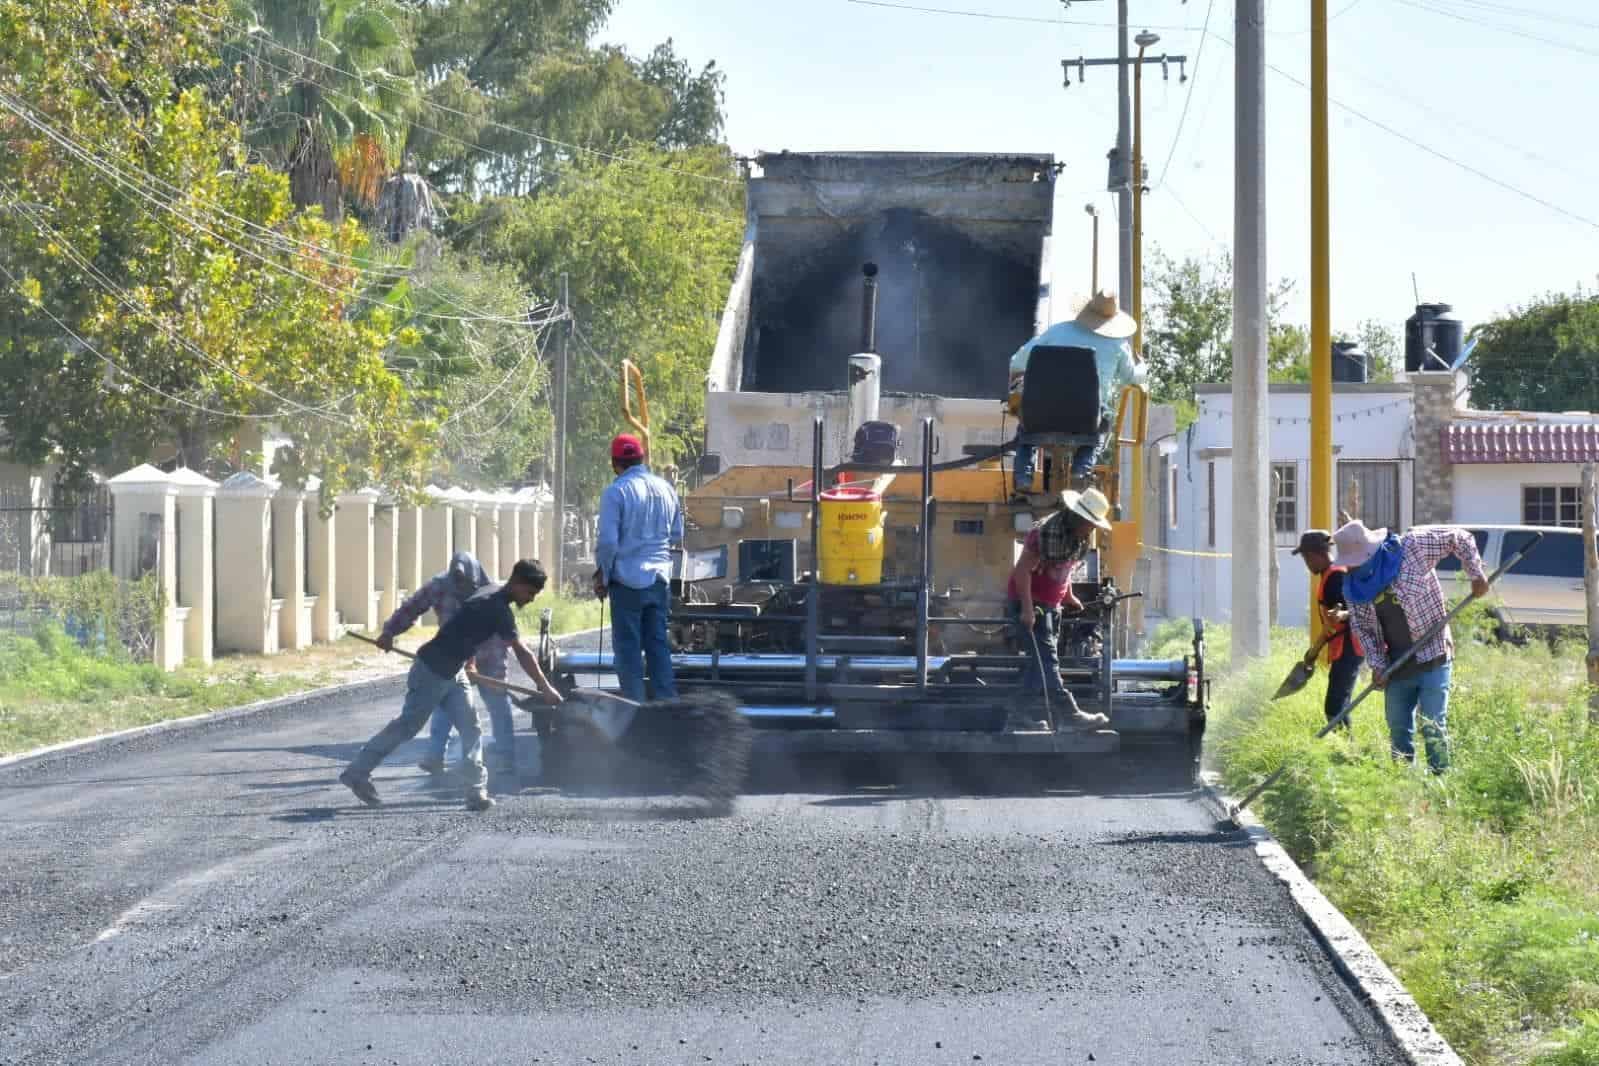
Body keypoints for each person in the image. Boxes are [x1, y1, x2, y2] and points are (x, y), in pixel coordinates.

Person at [340, 559, 563, 810]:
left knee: (471, 728)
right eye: (531, 592)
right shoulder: (497, 607)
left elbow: (463, 629)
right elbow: (521, 652)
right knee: (407, 727)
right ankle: (357, 772)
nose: (532, 598)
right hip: (431, 671)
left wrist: (470, 663)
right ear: (519, 583)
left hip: (454, 672)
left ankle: (476, 792)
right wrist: (544, 687)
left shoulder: (488, 593)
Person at [1338, 520, 1489, 774]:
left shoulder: (1412, 547)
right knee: (1398, 727)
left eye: (1354, 561)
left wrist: (1476, 573)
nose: (1350, 567)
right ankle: (1403, 784)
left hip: (1434, 653)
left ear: (1368, 552)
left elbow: (1459, 537)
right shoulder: (1354, 588)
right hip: (1396, 663)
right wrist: (1377, 665)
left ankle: (1441, 782)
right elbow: (1364, 631)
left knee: (1432, 725)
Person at [376, 551, 533, 781]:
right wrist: (390, 632)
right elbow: (412, 608)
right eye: (457, 584)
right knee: (444, 704)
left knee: (498, 704)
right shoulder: (439, 586)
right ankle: (435, 757)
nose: (461, 589)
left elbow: (506, 637)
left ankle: (505, 759)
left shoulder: (489, 591)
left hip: (490, 655)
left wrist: (476, 665)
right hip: (453, 658)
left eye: (466, 584)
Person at [1009, 290, 1145, 495]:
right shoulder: (1117, 344)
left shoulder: (1055, 332)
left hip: (1042, 414)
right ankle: (1081, 470)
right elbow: (1132, 377)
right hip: (1087, 418)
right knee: (1101, 427)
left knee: (1026, 430)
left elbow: (1017, 362)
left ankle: (1023, 476)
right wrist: (1143, 366)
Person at [1004, 488, 1114, 731]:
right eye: (1090, 523)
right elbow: (1022, 571)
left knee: (1038, 666)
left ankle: (1016, 718)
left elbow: (1066, 569)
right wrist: (1027, 610)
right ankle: (1070, 715)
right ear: (1078, 517)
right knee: (1048, 662)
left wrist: (1069, 596)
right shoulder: (1044, 534)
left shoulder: (1078, 538)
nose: (1092, 528)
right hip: (1030, 603)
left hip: (1051, 605)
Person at [592, 434, 683, 705]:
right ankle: (668, 708)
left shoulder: (616, 491)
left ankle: (634, 711)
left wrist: (603, 576)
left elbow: (608, 542)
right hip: (658, 582)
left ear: (614, 463)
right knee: (658, 648)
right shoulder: (666, 489)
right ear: (642, 458)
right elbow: (677, 535)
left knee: (629, 652)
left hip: (627, 582)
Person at [1291, 529, 1365, 730]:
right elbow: (1330, 624)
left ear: (1315, 555)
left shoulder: (1335, 578)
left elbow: (1353, 611)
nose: (1307, 563)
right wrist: (1313, 653)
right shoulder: (1331, 574)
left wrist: (1314, 650)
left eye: (1307, 558)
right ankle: (1347, 753)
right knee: (1339, 705)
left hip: (1349, 647)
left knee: (1334, 708)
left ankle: (1348, 753)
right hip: (1344, 647)